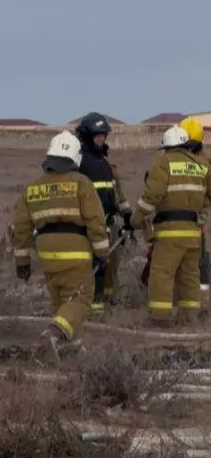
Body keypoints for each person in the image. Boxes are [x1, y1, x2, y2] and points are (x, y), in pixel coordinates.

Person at [12, 130, 110, 362]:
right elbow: (96, 221)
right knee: (80, 299)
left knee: (59, 300)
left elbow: (21, 228)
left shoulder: (32, 187)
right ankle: (54, 334)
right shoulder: (81, 183)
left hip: (46, 252)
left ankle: (68, 349)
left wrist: (22, 262)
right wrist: (102, 253)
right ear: (75, 157)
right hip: (75, 249)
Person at [132, 125, 211, 326]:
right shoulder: (201, 164)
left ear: (166, 146)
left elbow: (153, 195)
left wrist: (137, 218)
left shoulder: (163, 161)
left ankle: (160, 319)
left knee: (162, 273)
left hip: (169, 232)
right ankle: (190, 319)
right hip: (193, 233)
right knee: (190, 277)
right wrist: (196, 207)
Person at [73, 113, 133, 312]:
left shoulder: (104, 163)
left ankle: (107, 303)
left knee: (109, 266)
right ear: (87, 135)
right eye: (97, 135)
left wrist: (127, 217)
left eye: (103, 135)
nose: (101, 139)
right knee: (93, 267)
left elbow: (115, 191)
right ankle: (91, 306)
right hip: (88, 225)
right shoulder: (79, 161)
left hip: (109, 223)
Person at [179, 116, 211, 297]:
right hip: (185, 217)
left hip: (193, 218)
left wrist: (200, 203)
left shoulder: (205, 162)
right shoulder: (204, 160)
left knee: (199, 254)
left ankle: (201, 288)